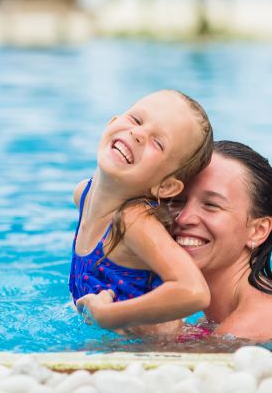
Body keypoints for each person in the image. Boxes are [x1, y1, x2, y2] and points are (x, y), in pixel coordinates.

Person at [70, 90, 213, 331]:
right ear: (112, 122)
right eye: (136, 120)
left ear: (166, 186)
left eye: (158, 143)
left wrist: (108, 315)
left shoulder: (132, 220)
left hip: (165, 351)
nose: (137, 134)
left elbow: (195, 292)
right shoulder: (83, 195)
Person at [171, 140, 272, 340]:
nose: (183, 218)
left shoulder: (265, 319)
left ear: (258, 231)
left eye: (211, 205)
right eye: (177, 201)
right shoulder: (215, 319)